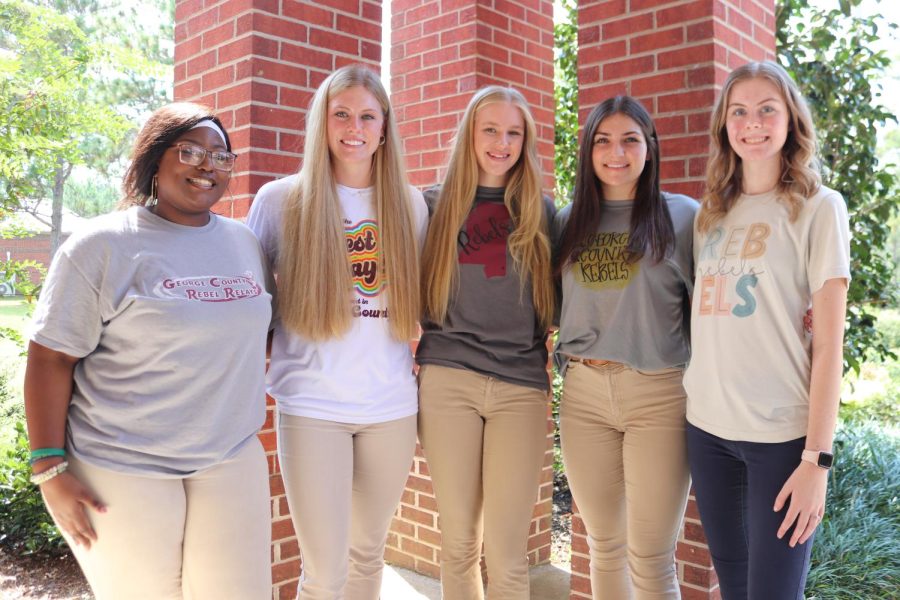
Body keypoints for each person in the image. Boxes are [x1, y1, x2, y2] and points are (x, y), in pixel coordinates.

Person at [24, 102, 274, 599]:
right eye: (190, 152)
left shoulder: (245, 243)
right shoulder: (102, 246)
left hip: (229, 459)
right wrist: (49, 469)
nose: (207, 166)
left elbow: (253, 334)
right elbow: (51, 358)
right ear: (154, 161)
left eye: (221, 156)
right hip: (124, 464)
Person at [246, 65, 427, 600]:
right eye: (341, 114)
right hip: (313, 408)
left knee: (368, 558)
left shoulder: (408, 204)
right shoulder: (280, 200)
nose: (355, 126)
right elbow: (250, 310)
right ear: (322, 123)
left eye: (368, 116)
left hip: (390, 409)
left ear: (384, 127)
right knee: (324, 573)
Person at [684, 60, 850, 599]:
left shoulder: (819, 208)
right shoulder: (711, 213)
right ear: (724, 125)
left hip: (781, 440)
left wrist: (816, 461)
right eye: (739, 111)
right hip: (707, 429)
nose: (751, 122)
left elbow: (828, 348)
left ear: (790, 120)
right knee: (734, 586)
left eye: (766, 109)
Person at [552, 95, 697, 599]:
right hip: (584, 395)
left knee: (652, 558)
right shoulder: (568, 221)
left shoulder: (681, 218)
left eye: (630, 139)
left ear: (649, 148)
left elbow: (716, 305)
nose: (616, 152)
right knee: (603, 545)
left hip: (658, 395)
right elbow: (549, 305)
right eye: (603, 140)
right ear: (589, 151)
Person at [416, 85, 556, 600]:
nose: (502, 142)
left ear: (526, 140)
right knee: (458, 544)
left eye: (513, 132)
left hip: (520, 385)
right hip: (449, 379)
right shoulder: (431, 207)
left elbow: (570, 296)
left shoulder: (542, 213)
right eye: (490, 129)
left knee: (507, 551)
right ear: (470, 135)